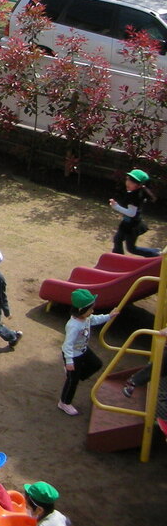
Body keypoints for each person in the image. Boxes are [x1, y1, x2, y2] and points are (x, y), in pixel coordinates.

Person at [59, 288, 121, 416]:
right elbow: (67, 345)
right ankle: (64, 402)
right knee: (72, 382)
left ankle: (73, 375)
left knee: (96, 364)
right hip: (73, 355)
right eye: (90, 309)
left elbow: (96, 319)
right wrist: (69, 361)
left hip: (83, 350)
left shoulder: (86, 318)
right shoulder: (73, 325)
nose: (92, 311)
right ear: (81, 310)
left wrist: (109, 316)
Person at [110, 168, 158, 257]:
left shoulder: (135, 196)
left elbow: (131, 213)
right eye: (127, 179)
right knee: (117, 239)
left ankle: (155, 253)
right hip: (127, 223)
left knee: (131, 248)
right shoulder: (135, 192)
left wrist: (116, 206)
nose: (128, 183)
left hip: (132, 226)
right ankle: (117, 258)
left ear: (139, 185)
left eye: (132, 182)